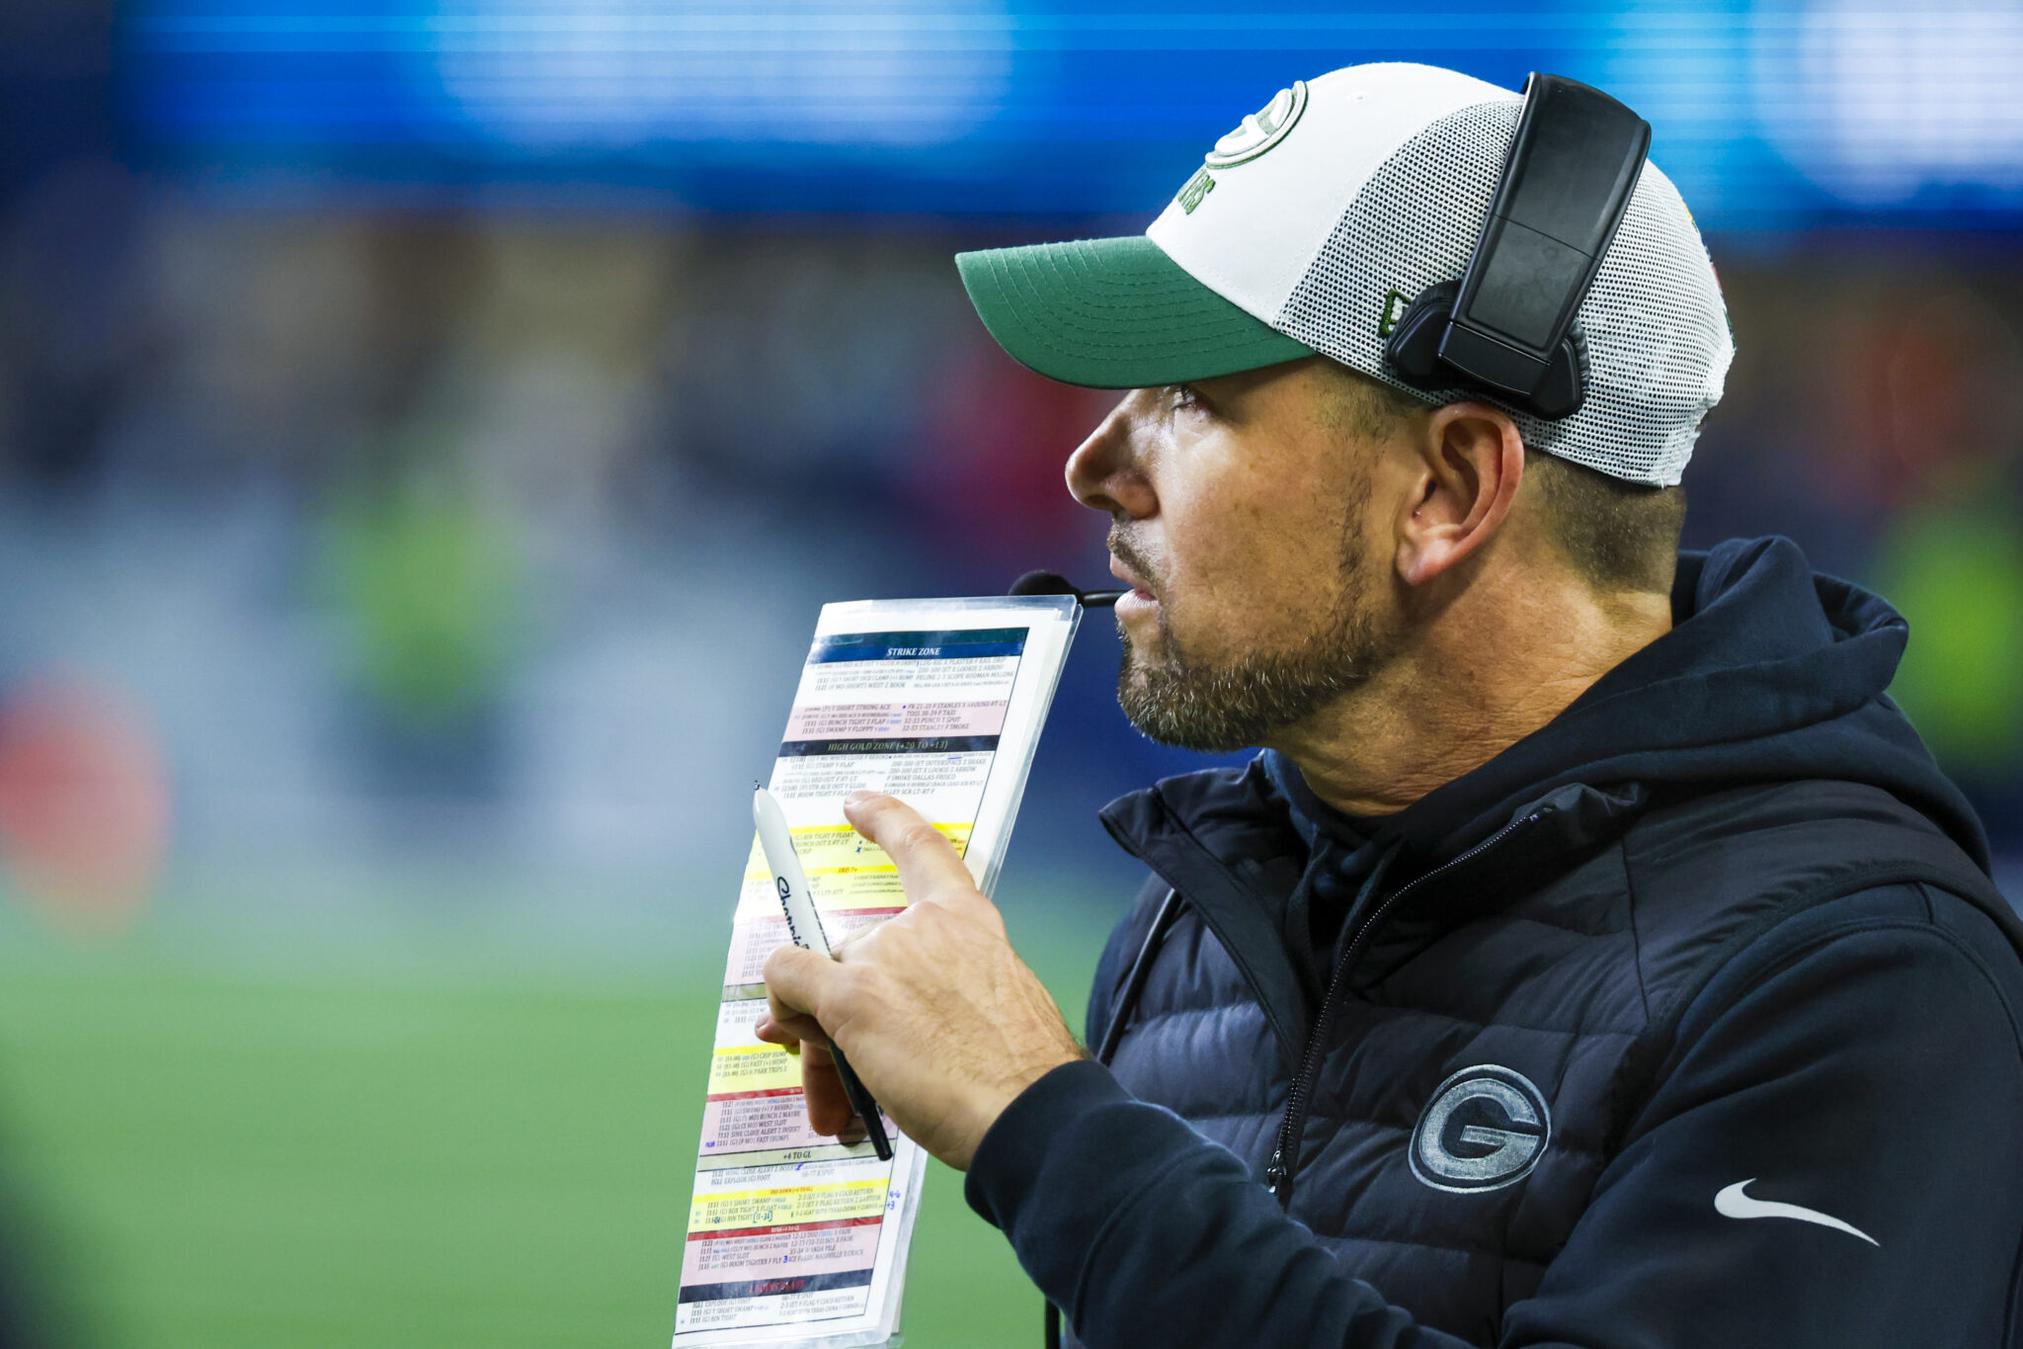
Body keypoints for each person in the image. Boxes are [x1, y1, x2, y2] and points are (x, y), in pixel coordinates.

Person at [755, 63, 2023, 1347]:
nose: (1091, 466)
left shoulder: (1860, 980)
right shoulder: (1196, 928)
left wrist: (1044, 1123)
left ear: (1450, 489)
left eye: (1189, 395)